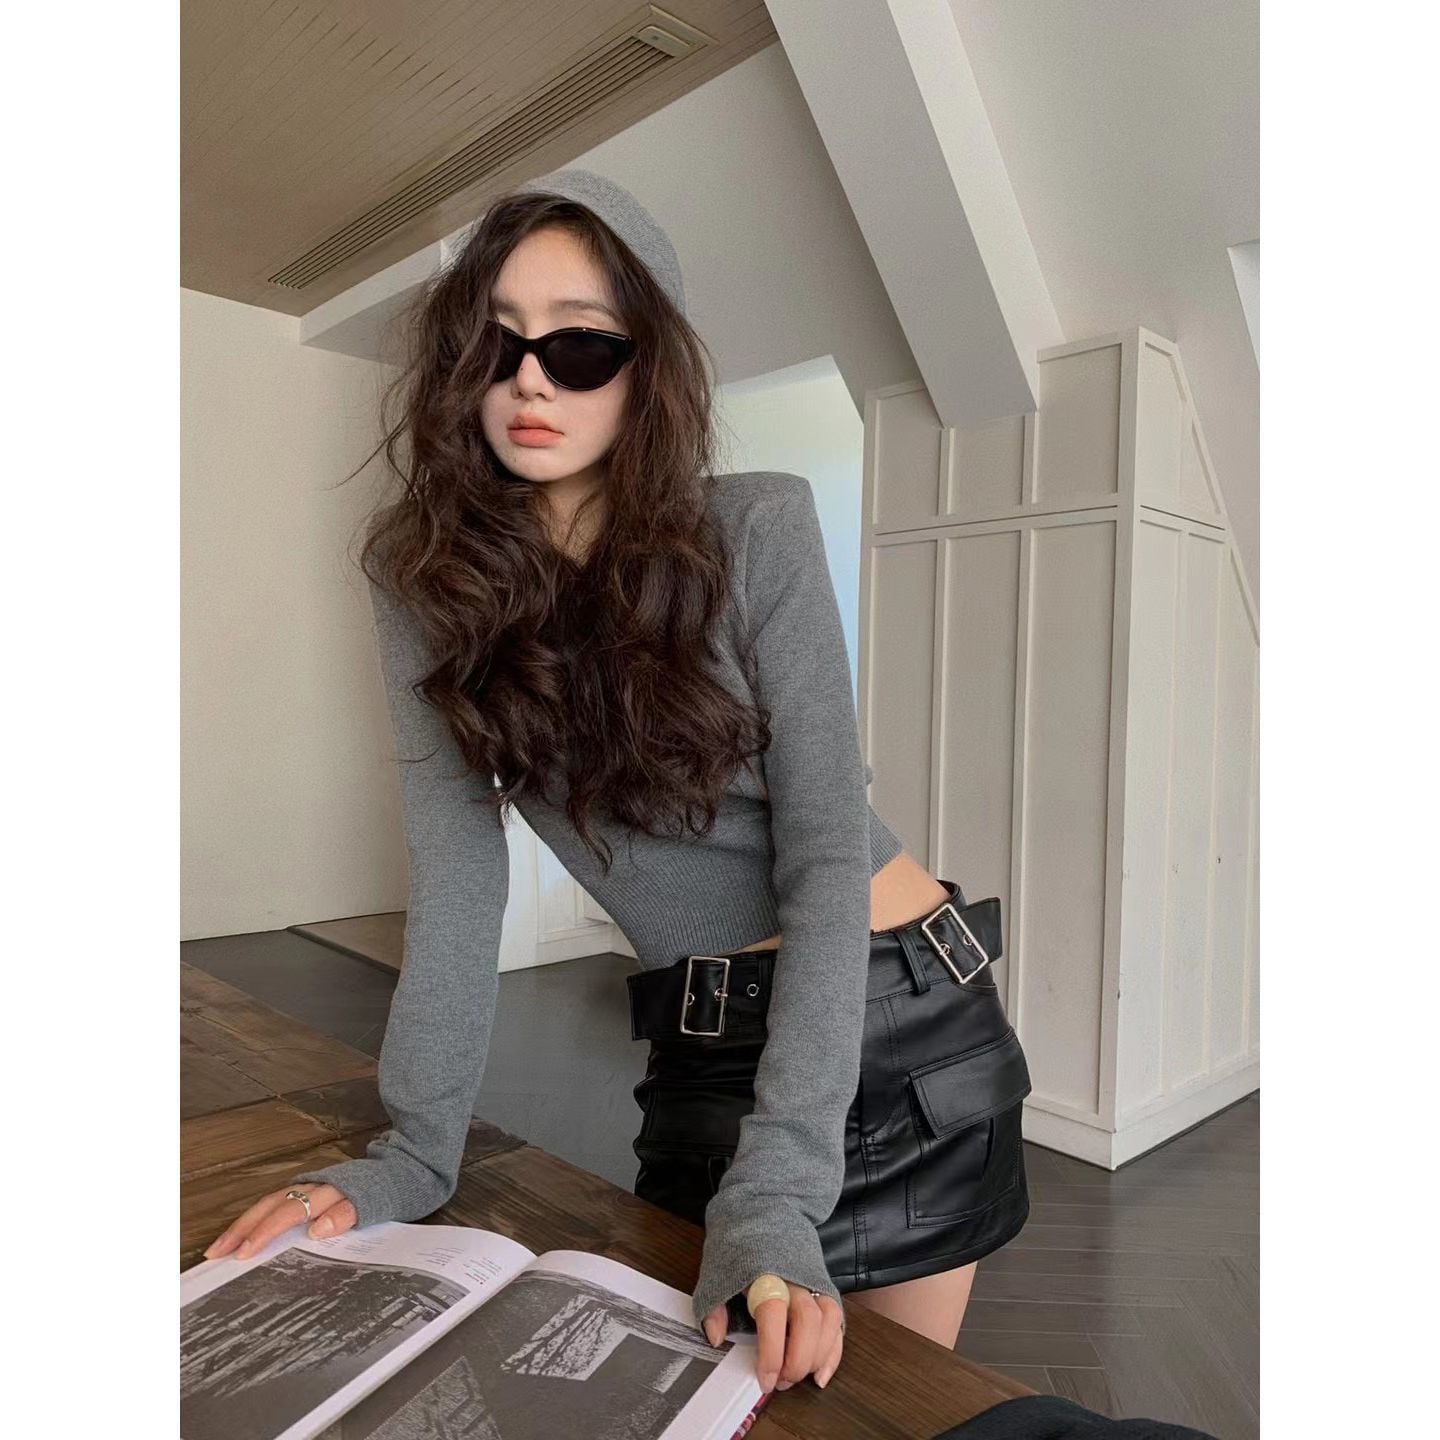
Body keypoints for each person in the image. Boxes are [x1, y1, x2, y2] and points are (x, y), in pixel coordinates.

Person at [201, 169, 1033, 1396]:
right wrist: (415, 1152)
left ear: (650, 368)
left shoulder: (756, 529)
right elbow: (455, 878)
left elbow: (819, 857)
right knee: (704, 1392)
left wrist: (780, 1186)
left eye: (582, 345)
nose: (532, 380)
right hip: (699, 1037)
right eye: (499, 342)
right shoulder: (424, 583)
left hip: (893, 1014)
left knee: (878, 1406)